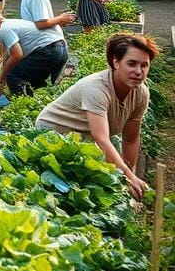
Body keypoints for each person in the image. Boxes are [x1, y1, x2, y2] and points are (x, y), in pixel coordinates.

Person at [36, 33, 157, 200]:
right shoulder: (97, 89)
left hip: (85, 137)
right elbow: (102, 139)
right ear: (116, 62)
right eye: (131, 64)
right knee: (71, 184)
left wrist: (131, 175)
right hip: (53, 132)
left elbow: (130, 138)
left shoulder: (141, 93)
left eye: (144, 65)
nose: (138, 71)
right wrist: (127, 177)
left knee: (111, 171)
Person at [0, 9, 67, 97]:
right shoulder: (10, 24)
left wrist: (4, 77)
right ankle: (35, 104)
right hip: (61, 50)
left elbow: (17, 55)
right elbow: (9, 56)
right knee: (40, 83)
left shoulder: (3, 29)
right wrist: (1, 80)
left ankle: (19, 104)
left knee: (13, 76)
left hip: (49, 51)